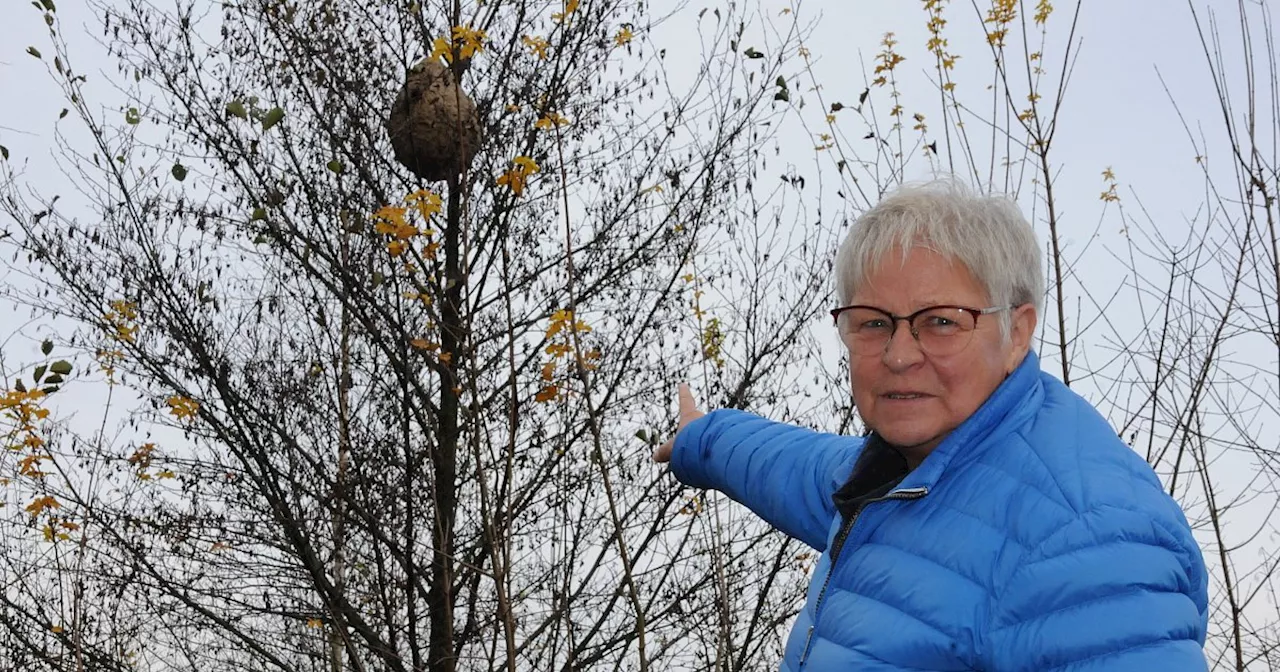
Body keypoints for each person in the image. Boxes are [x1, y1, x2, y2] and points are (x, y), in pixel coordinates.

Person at [655, 179, 1209, 671]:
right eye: (872, 323)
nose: (899, 355)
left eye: (941, 322)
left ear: (1017, 333)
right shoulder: (894, 478)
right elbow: (794, 467)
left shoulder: (1085, 535)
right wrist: (703, 441)